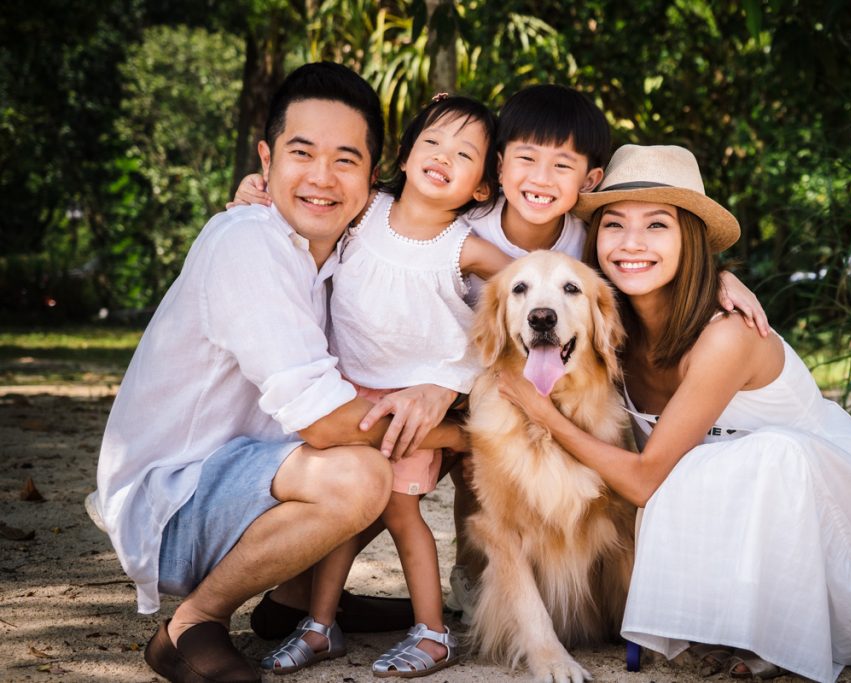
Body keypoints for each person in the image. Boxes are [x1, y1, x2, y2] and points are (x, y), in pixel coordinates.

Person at [231, 85, 770, 627]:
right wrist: (263, 188)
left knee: (449, 453)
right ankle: (325, 591)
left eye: (562, 166)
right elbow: (399, 190)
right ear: (499, 166)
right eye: (526, 159)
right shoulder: (469, 213)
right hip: (435, 374)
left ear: (589, 181)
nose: (540, 178)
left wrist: (720, 276)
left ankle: (552, 576)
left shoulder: (587, 237)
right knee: (412, 459)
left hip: (498, 379)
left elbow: (644, 258)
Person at [497, 144, 851, 683]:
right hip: (702, 508)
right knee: (697, 470)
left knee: (765, 455)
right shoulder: (607, 329)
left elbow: (644, 481)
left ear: (691, 242)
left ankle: (773, 625)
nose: (631, 243)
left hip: (805, 498)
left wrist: (541, 410)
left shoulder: (726, 336)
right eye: (613, 226)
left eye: (658, 226)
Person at [91, 62, 466, 683]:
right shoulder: (249, 242)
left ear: (372, 179)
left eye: (346, 160)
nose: (322, 177)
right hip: (180, 501)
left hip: (252, 481)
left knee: (415, 433)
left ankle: (298, 599)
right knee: (364, 469)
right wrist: (475, 438)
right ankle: (191, 625)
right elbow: (323, 423)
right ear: (267, 160)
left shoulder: (341, 253)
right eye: (302, 153)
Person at [259, 94, 510, 678]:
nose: (443, 156)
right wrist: (257, 186)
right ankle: (321, 627)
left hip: (412, 409)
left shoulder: (464, 248)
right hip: (343, 399)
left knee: (402, 514)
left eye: (465, 154)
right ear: (404, 153)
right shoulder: (366, 209)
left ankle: (433, 633)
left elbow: (532, 283)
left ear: (480, 187)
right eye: (432, 143)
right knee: (346, 515)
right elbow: (310, 207)